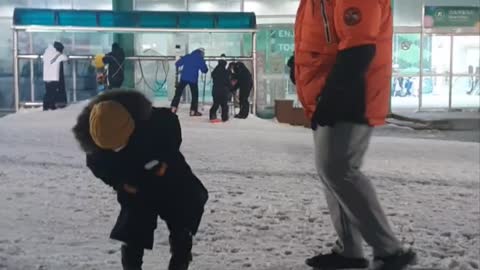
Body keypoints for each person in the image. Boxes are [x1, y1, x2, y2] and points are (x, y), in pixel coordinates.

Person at [293, 1, 417, 269]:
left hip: (352, 96)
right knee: (331, 172)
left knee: (339, 169)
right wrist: (300, 66)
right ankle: (350, 250)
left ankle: (389, 251)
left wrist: (335, 96)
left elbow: (359, 49)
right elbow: (323, 42)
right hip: (327, 93)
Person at [72, 90, 208, 270]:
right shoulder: (97, 141)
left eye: (120, 144)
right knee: (133, 230)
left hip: (171, 178)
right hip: (135, 185)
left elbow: (172, 133)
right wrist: (120, 183)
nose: (118, 149)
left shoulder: (156, 121)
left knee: (182, 218)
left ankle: (180, 260)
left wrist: (164, 160)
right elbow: (100, 167)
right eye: (112, 148)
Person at [171, 48, 208, 116]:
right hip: (193, 80)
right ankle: (193, 111)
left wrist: (182, 59)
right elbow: (205, 70)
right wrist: (204, 63)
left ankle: (173, 108)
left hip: (184, 78)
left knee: (178, 93)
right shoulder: (200, 59)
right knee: (194, 95)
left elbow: (177, 64)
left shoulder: (188, 56)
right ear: (201, 54)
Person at [42, 41, 68, 111]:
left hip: (47, 76)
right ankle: (50, 105)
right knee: (53, 92)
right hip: (53, 76)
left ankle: (46, 105)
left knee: (48, 92)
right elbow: (65, 58)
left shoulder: (46, 53)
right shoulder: (58, 54)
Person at [209, 54, 231, 122]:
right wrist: (231, 87)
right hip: (223, 91)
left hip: (215, 90)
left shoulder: (215, 71)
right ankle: (224, 117)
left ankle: (212, 115)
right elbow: (227, 82)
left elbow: (213, 76)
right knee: (224, 105)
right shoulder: (226, 72)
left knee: (216, 103)